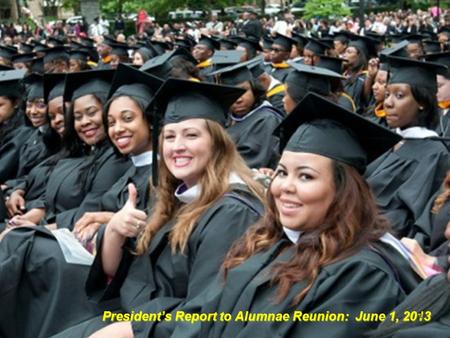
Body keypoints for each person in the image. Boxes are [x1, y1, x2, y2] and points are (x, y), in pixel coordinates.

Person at [143, 92, 413, 338]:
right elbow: (205, 315)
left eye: (306, 176)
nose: (285, 187)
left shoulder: (361, 274)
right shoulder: (269, 242)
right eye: (282, 172)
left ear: (343, 191)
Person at [52, 79, 265, 338]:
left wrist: (129, 329)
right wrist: (116, 229)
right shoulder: (176, 197)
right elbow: (115, 270)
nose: (177, 147)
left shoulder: (233, 212)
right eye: (170, 136)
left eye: (191, 135)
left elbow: (207, 313)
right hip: (133, 315)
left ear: (218, 143)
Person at [0, 65, 162, 338]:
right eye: (112, 122)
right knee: (20, 242)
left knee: (23, 244)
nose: (117, 128)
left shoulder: (159, 174)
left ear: (150, 119)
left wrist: (104, 221)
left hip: (122, 278)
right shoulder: (128, 168)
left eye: (126, 119)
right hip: (102, 256)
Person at [365, 56, 450, 237]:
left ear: (422, 102)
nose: (388, 103)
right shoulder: (392, 142)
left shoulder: (435, 155)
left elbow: (410, 220)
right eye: (388, 94)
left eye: (400, 95)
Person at [210, 62, 284, 169]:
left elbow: (249, 164)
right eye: (230, 93)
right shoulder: (228, 117)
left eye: (244, 91)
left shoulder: (267, 120)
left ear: (254, 89)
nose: (238, 99)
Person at [0, 69, 33, 184]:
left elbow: (2, 170)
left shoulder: (23, 132)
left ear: (16, 103)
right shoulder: (5, 123)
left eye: (0, 105)